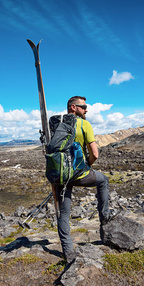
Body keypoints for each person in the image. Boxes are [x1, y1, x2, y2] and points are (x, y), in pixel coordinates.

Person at [55, 96, 115, 263]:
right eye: (84, 107)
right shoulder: (84, 124)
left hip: (60, 175)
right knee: (103, 181)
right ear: (73, 107)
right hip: (80, 174)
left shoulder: (56, 125)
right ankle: (105, 220)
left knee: (64, 213)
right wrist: (87, 165)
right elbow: (95, 154)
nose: (86, 110)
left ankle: (68, 252)